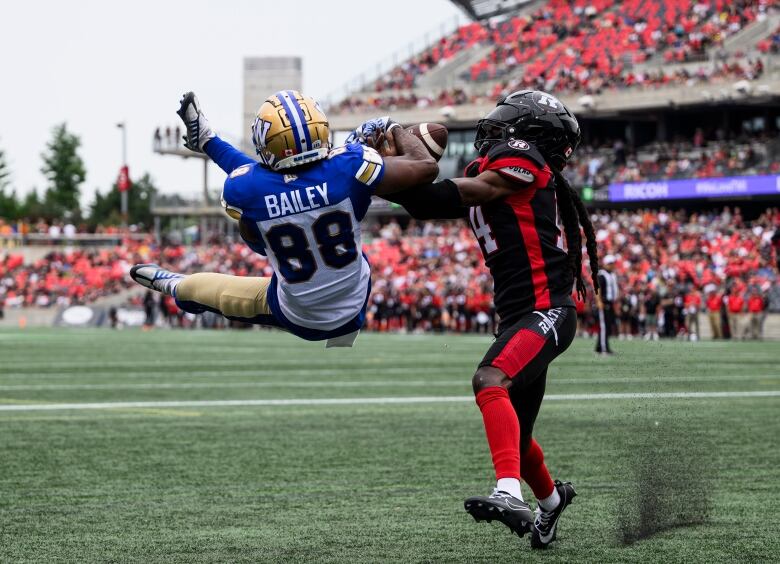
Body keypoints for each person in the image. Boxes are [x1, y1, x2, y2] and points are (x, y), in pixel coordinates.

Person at [381, 90, 600, 549]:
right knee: (517, 440)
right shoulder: (502, 173)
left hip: (549, 311)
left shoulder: (520, 168)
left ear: (527, 134)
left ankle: (509, 492)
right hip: (520, 316)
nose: (495, 127)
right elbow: (426, 202)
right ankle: (552, 502)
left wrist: (389, 163)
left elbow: (458, 191)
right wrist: (379, 176)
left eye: (507, 120)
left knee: (489, 379)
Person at [130, 91, 437, 344]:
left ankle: (175, 287)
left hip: (297, 313)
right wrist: (391, 125)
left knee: (217, 294)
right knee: (356, 194)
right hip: (355, 297)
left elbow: (261, 211)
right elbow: (425, 166)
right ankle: (207, 140)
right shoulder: (350, 165)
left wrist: (213, 145)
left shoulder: (246, 188)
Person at [595, 255, 618, 354]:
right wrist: (598, 301)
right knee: (604, 327)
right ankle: (604, 348)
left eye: (612, 263)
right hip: (603, 302)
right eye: (610, 263)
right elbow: (597, 289)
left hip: (610, 303)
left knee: (607, 326)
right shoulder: (601, 275)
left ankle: (599, 347)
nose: (612, 265)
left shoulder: (612, 275)